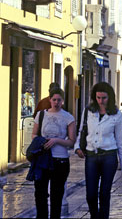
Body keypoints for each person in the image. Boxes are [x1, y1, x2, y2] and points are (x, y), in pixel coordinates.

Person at [75, 82, 122, 219]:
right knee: (91, 194)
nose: (101, 101)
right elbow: (82, 130)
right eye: (98, 98)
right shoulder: (88, 111)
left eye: (104, 98)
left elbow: (121, 141)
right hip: (92, 156)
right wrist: (77, 147)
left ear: (109, 97)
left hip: (109, 156)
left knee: (104, 193)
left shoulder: (116, 115)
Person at [32, 87, 76, 219]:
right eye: (54, 100)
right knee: (40, 194)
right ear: (50, 100)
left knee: (56, 196)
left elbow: (71, 141)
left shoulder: (68, 117)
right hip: (43, 159)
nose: (56, 102)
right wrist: (41, 140)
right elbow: (34, 134)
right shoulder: (41, 115)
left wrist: (57, 140)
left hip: (60, 160)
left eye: (59, 100)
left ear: (63, 101)